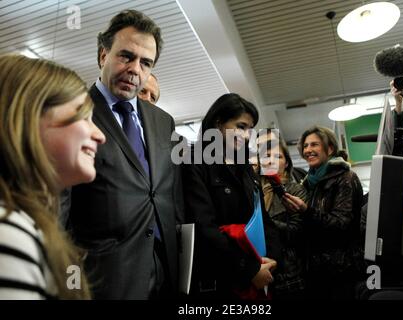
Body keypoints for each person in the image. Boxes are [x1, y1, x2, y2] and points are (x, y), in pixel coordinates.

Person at [61, 10, 184, 299]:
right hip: (102, 281)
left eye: (146, 63)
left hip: (164, 275)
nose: (135, 70)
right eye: (126, 56)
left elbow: (166, 196)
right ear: (103, 55)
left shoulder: (163, 122)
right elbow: (58, 215)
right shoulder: (71, 113)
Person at [0, 54, 106, 299]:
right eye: (83, 116)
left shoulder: (25, 225)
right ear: (28, 118)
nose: (100, 135)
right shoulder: (9, 232)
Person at [182, 93, 281, 299]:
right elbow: (203, 228)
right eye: (241, 126)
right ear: (219, 123)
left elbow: (264, 221)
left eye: (250, 129)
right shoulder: (194, 162)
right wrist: (250, 270)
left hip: (258, 276)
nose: (246, 135)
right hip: (219, 281)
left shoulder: (247, 169)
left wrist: (271, 260)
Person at [294, 126, 365, 299]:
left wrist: (306, 211)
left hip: (341, 270)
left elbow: (341, 223)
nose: (308, 150)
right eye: (305, 146)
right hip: (317, 271)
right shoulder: (308, 183)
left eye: (314, 145)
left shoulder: (345, 178)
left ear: (330, 149)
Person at [257, 130, 308, 299]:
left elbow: (296, 231)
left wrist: (264, 223)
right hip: (259, 270)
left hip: (289, 273)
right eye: (266, 156)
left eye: (278, 157)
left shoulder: (294, 190)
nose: (271, 160)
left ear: (286, 163)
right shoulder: (254, 190)